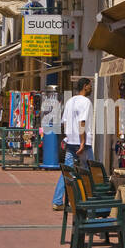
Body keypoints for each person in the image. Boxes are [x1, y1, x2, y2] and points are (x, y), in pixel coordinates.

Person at [51, 77, 93, 210]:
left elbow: (64, 122)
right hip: (82, 143)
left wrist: (67, 137)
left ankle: (57, 201)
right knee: (90, 171)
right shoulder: (85, 102)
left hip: (70, 142)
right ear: (85, 86)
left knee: (67, 172)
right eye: (90, 86)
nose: (91, 88)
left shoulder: (70, 101)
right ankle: (88, 200)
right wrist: (82, 142)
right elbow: (82, 122)